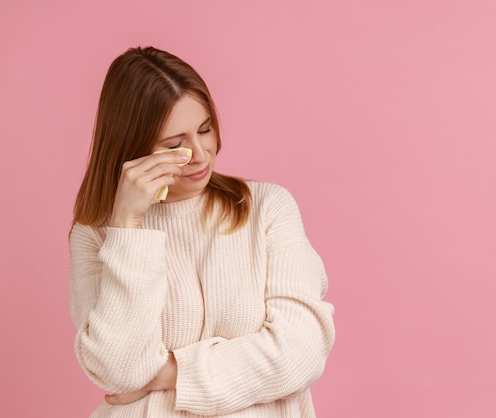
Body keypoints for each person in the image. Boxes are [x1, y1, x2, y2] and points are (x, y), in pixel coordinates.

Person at [69, 46, 335, 418]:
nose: (200, 153)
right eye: (175, 144)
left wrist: (169, 373)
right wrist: (128, 228)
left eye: (205, 129)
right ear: (132, 147)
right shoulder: (97, 233)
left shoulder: (266, 208)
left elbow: (301, 352)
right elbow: (120, 370)